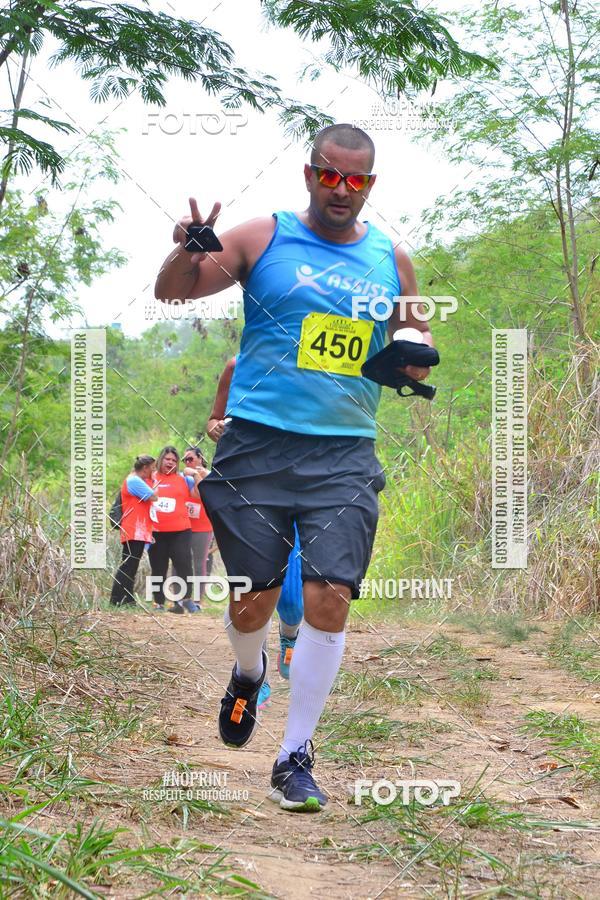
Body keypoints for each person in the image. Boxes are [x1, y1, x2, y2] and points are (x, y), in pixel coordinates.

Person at [155, 123, 434, 811]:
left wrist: (409, 356)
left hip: (343, 450)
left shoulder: (391, 257)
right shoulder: (263, 236)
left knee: (330, 595)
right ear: (310, 174)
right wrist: (185, 251)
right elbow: (174, 292)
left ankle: (294, 755)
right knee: (251, 599)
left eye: (357, 180)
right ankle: (247, 674)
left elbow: (418, 333)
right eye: (330, 175)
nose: (342, 189)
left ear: (371, 185)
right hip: (257, 445)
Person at [207, 357, 304, 706]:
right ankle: (252, 669)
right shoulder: (237, 366)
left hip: (297, 487)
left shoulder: (313, 369)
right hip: (245, 484)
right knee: (250, 588)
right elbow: (214, 418)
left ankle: (290, 635)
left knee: (291, 601)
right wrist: (215, 426)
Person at [149, 445, 204, 614]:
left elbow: (201, 494)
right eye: (167, 459)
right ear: (160, 460)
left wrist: (195, 474)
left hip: (181, 531)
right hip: (157, 531)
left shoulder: (183, 479)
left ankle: (186, 599)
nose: (170, 462)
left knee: (184, 565)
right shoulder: (151, 478)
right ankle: (158, 603)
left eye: (174, 460)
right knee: (158, 567)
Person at [110, 454, 157, 607]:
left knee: (131, 566)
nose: (154, 471)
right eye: (152, 468)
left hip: (138, 530)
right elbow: (153, 496)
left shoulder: (136, 479)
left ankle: (127, 599)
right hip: (133, 529)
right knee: (128, 566)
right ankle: (116, 598)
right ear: (145, 468)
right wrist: (153, 480)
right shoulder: (134, 480)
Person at [178, 446, 212, 606]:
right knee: (180, 561)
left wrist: (197, 474)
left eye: (190, 459)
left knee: (199, 562)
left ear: (200, 457)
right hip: (182, 525)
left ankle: (197, 600)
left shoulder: (210, 475)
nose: (187, 462)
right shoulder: (182, 476)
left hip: (203, 526)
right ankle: (178, 598)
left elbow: (202, 494)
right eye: (184, 460)